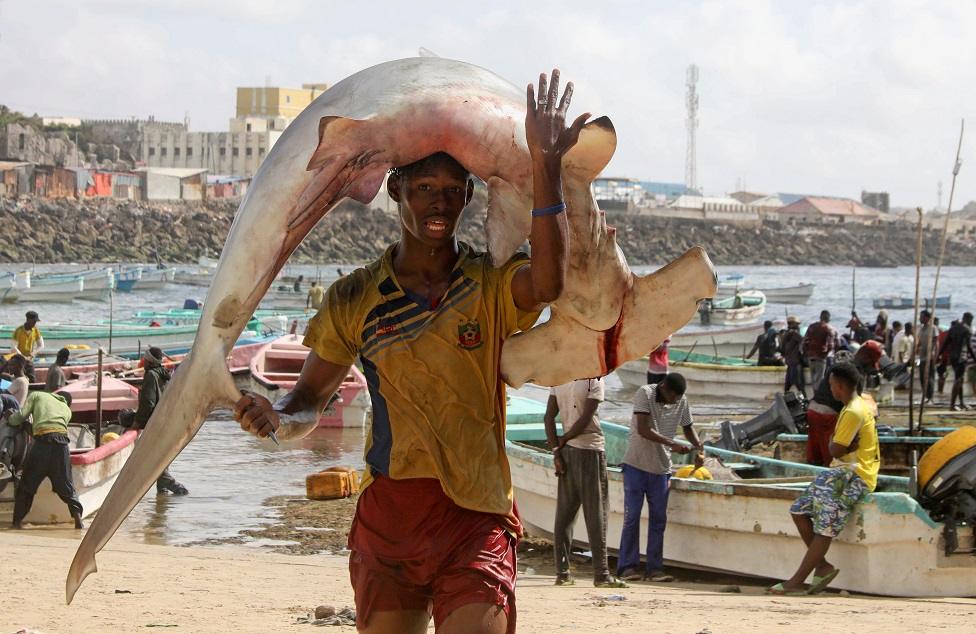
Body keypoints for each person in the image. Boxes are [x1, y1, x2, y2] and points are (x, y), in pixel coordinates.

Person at [233, 70, 584, 634]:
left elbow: (547, 284)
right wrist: (278, 416)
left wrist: (545, 165)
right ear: (395, 191)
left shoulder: (490, 283)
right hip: (390, 520)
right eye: (424, 189)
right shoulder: (354, 298)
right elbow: (308, 403)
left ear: (469, 196)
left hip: (475, 513)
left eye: (451, 190)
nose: (438, 203)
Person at [768, 362, 879, 595]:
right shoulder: (854, 406)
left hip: (854, 473)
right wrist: (836, 444)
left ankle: (796, 580)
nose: (831, 390)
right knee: (799, 510)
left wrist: (835, 444)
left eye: (831, 385)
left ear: (838, 386)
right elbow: (837, 448)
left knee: (825, 525)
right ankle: (822, 566)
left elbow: (835, 450)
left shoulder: (852, 411)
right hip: (841, 470)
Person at [617, 373, 703, 583]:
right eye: (671, 397)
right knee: (632, 518)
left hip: (662, 470)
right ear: (663, 387)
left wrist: (700, 449)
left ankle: (655, 569)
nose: (674, 401)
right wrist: (672, 444)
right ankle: (627, 567)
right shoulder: (644, 393)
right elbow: (643, 429)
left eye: (677, 398)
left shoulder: (681, 400)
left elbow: (688, 427)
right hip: (636, 465)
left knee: (658, 520)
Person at [543, 378, 627, 588]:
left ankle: (562, 573)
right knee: (596, 514)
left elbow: (548, 418)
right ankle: (601, 574)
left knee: (564, 515)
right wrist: (566, 438)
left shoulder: (559, 378)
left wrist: (556, 449)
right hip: (590, 450)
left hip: (566, 453)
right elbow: (586, 417)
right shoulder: (594, 379)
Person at [9, 390, 84, 529]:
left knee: (27, 485)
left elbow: (20, 417)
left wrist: (10, 419)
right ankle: (78, 519)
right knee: (67, 486)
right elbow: (53, 430)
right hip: (62, 447)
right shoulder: (67, 410)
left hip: (42, 445)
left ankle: (16, 523)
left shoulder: (37, 395)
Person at [804, 341, 882, 467]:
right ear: (865, 357)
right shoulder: (854, 373)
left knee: (815, 454)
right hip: (828, 415)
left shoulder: (842, 366)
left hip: (813, 409)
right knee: (831, 458)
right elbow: (851, 401)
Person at [135, 347, 188, 495]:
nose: (143, 361)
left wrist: (137, 423)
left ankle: (172, 484)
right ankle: (162, 495)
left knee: (152, 456)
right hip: (167, 420)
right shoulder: (164, 374)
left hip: (155, 422)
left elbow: (148, 403)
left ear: (150, 361)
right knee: (160, 453)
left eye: (145, 359)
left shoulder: (151, 375)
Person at [940, 312, 976, 411]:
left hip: (953, 357)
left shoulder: (953, 328)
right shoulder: (967, 329)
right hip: (961, 357)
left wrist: (939, 354)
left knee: (959, 379)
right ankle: (952, 405)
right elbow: (969, 347)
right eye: (971, 320)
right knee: (958, 380)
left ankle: (961, 403)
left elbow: (945, 343)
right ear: (968, 319)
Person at [803, 311, 835, 387]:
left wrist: (807, 353)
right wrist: (825, 354)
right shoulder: (827, 328)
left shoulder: (811, 326)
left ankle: (815, 396)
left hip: (810, 357)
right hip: (820, 357)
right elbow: (831, 345)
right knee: (819, 380)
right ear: (827, 318)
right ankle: (817, 397)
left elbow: (804, 341)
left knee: (813, 380)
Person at [11, 310, 43, 382]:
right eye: (34, 321)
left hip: (29, 360)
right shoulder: (18, 331)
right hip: (18, 361)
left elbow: (41, 345)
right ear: (28, 320)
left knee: (32, 380)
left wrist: (33, 353)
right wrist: (23, 357)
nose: (35, 323)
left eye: (36, 322)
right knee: (19, 380)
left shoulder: (36, 330)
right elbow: (13, 347)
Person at [916, 310, 939, 403]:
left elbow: (936, 342)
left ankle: (930, 397)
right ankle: (925, 396)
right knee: (922, 377)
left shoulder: (933, 328)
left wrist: (935, 355)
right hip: (922, 357)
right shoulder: (921, 329)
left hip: (930, 356)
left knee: (929, 378)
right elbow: (919, 342)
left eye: (921, 317)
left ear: (927, 318)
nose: (920, 318)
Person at [780, 316, 805, 396]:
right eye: (797, 324)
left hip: (789, 364)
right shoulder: (796, 335)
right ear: (792, 324)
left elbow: (782, 350)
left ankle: (785, 403)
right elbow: (804, 342)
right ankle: (805, 403)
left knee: (787, 387)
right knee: (800, 387)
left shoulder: (785, 335)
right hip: (796, 364)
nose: (798, 326)